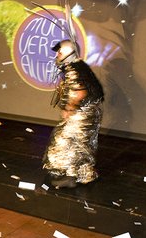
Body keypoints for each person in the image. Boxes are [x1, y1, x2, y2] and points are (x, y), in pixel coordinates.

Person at [43, 39, 104, 188]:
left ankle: (69, 177)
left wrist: (68, 108)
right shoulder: (79, 66)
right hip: (90, 112)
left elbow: (79, 92)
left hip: (81, 113)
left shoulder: (73, 69)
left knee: (65, 143)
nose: (57, 55)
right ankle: (85, 175)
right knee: (83, 145)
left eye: (59, 52)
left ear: (68, 53)